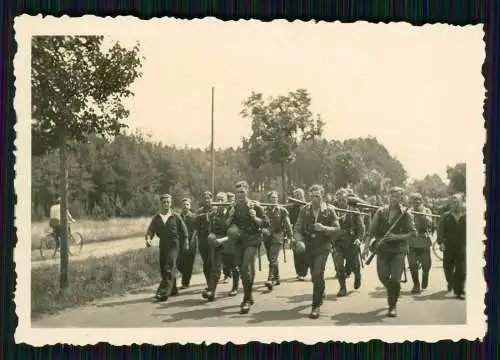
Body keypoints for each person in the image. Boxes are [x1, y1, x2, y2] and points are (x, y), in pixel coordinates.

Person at [363, 186, 417, 317]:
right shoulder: (380, 212)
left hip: (399, 250)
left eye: (397, 196)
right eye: (392, 195)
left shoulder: (406, 213)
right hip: (382, 249)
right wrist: (365, 246)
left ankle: (392, 305)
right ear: (388, 196)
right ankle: (393, 291)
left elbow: (413, 233)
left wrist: (397, 237)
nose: (394, 198)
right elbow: (371, 230)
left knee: (395, 280)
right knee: (382, 276)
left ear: (401, 198)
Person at [293, 184, 340, 319]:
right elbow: (297, 229)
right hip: (308, 246)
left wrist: (324, 228)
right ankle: (320, 292)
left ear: (322, 196)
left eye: (317, 196)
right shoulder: (304, 210)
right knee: (315, 276)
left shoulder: (329, 210)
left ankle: (315, 306)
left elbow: (337, 228)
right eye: (312, 196)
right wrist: (299, 240)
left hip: (323, 246)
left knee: (318, 272)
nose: (315, 199)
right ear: (309, 196)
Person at [226, 180, 268, 314]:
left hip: (252, 240)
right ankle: (249, 296)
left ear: (247, 191)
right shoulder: (233, 207)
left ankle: (245, 300)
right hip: (239, 241)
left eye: (242, 192)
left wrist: (255, 218)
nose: (240, 195)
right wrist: (231, 216)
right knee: (241, 269)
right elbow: (226, 224)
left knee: (245, 268)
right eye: (237, 192)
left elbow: (265, 224)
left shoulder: (255, 206)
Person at [145, 193, 189, 302]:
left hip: (174, 243)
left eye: (168, 202)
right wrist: (148, 239)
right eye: (164, 202)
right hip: (163, 244)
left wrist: (186, 242)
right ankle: (173, 289)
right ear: (161, 203)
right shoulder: (157, 218)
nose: (166, 204)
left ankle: (163, 293)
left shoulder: (176, 216)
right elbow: (150, 231)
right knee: (164, 268)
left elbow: (184, 231)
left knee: (169, 266)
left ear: (171, 203)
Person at [202, 192, 240, 301]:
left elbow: (234, 232)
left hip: (230, 243)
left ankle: (235, 287)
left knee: (233, 266)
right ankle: (211, 292)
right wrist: (212, 237)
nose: (219, 202)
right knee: (215, 267)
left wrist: (222, 240)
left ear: (226, 201)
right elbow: (212, 229)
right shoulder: (214, 213)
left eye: (221, 200)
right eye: (217, 200)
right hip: (218, 243)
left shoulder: (233, 212)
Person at [332, 189, 365, 296]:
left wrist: (359, 239)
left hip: (351, 243)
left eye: (343, 199)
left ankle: (357, 275)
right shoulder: (332, 211)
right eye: (339, 199)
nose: (341, 202)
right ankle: (343, 288)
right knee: (339, 266)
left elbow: (361, 228)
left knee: (353, 265)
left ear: (347, 199)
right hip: (338, 243)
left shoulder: (354, 212)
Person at [262, 190, 293, 291]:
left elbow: (288, 224)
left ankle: (270, 279)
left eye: (275, 198)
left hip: (277, 236)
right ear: (268, 199)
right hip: (267, 237)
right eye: (272, 198)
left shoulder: (282, 210)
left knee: (273, 258)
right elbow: (261, 223)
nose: (274, 200)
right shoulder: (264, 210)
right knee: (270, 258)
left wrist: (290, 237)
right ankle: (277, 277)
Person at [437, 193, 466, 299]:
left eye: (457, 202)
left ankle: (460, 291)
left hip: (462, 246)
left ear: (461, 203)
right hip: (448, 246)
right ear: (450, 204)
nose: (455, 205)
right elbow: (440, 231)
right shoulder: (446, 216)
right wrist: (441, 243)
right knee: (447, 268)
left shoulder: (466, 216)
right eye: (453, 203)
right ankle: (451, 282)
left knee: (461, 269)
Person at [407, 193, 434, 294]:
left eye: (418, 199)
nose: (416, 202)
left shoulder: (426, 210)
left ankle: (425, 274)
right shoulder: (408, 211)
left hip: (424, 241)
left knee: (426, 264)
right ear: (411, 201)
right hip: (412, 242)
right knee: (412, 264)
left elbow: (431, 223)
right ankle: (416, 284)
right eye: (414, 200)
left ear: (422, 201)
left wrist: (424, 216)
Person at [193, 191, 214, 290]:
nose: (206, 200)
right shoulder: (199, 211)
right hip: (202, 239)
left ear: (211, 199)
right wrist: (193, 239)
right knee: (205, 261)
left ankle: (212, 283)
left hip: (213, 238)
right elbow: (196, 227)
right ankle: (209, 282)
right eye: (205, 198)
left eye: (208, 198)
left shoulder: (215, 209)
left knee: (210, 260)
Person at [177, 197, 197, 290]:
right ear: (181, 206)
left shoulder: (193, 216)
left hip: (192, 241)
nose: (185, 206)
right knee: (179, 262)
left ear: (190, 206)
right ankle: (186, 274)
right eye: (184, 205)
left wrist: (192, 240)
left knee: (189, 263)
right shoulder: (178, 217)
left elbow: (195, 230)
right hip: (180, 242)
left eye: (187, 204)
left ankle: (185, 283)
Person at [289, 188, 309, 281]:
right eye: (296, 196)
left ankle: (303, 272)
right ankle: (299, 272)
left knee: (305, 253)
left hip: (306, 233)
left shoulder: (307, 207)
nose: (297, 197)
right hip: (296, 233)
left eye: (299, 196)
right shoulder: (291, 208)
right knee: (296, 253)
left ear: (303, 196)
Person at [221, 191, 236, 284]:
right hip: (224, 235)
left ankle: (233, 274)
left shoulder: (235, 209)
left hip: (233, 235)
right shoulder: (221, 209)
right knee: (225, 256)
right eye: (229, 200)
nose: (231, 203)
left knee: (233, 255)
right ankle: (227, 274)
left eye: (232, 200)